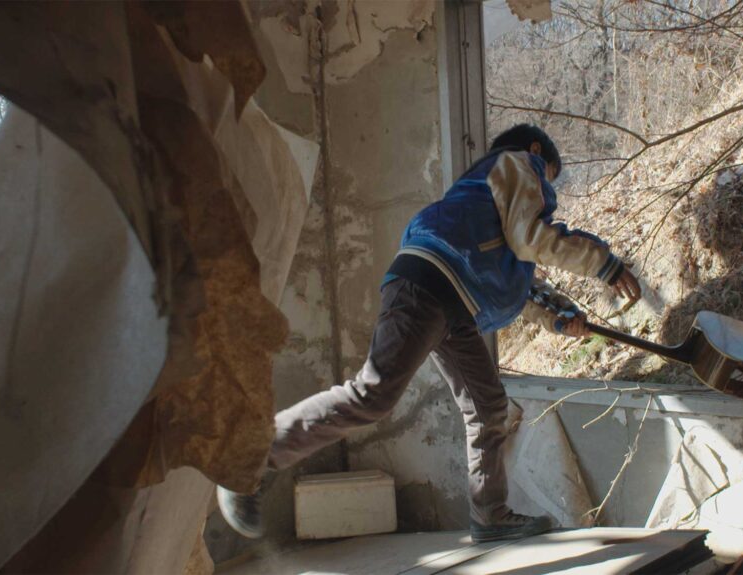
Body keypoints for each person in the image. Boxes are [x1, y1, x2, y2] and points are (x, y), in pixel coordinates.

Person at [217, 124, 642, 543]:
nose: (546, 190)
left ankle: (490, 515)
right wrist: (603, 263)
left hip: (452, 302)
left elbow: (517, 279)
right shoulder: (517, 164)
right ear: (535, 151)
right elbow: (532, 238)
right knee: (373, 395)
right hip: (428, 286)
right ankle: (250, 455)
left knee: (489, 407)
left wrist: (560, 317)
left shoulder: (485, 205)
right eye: (548, 176)